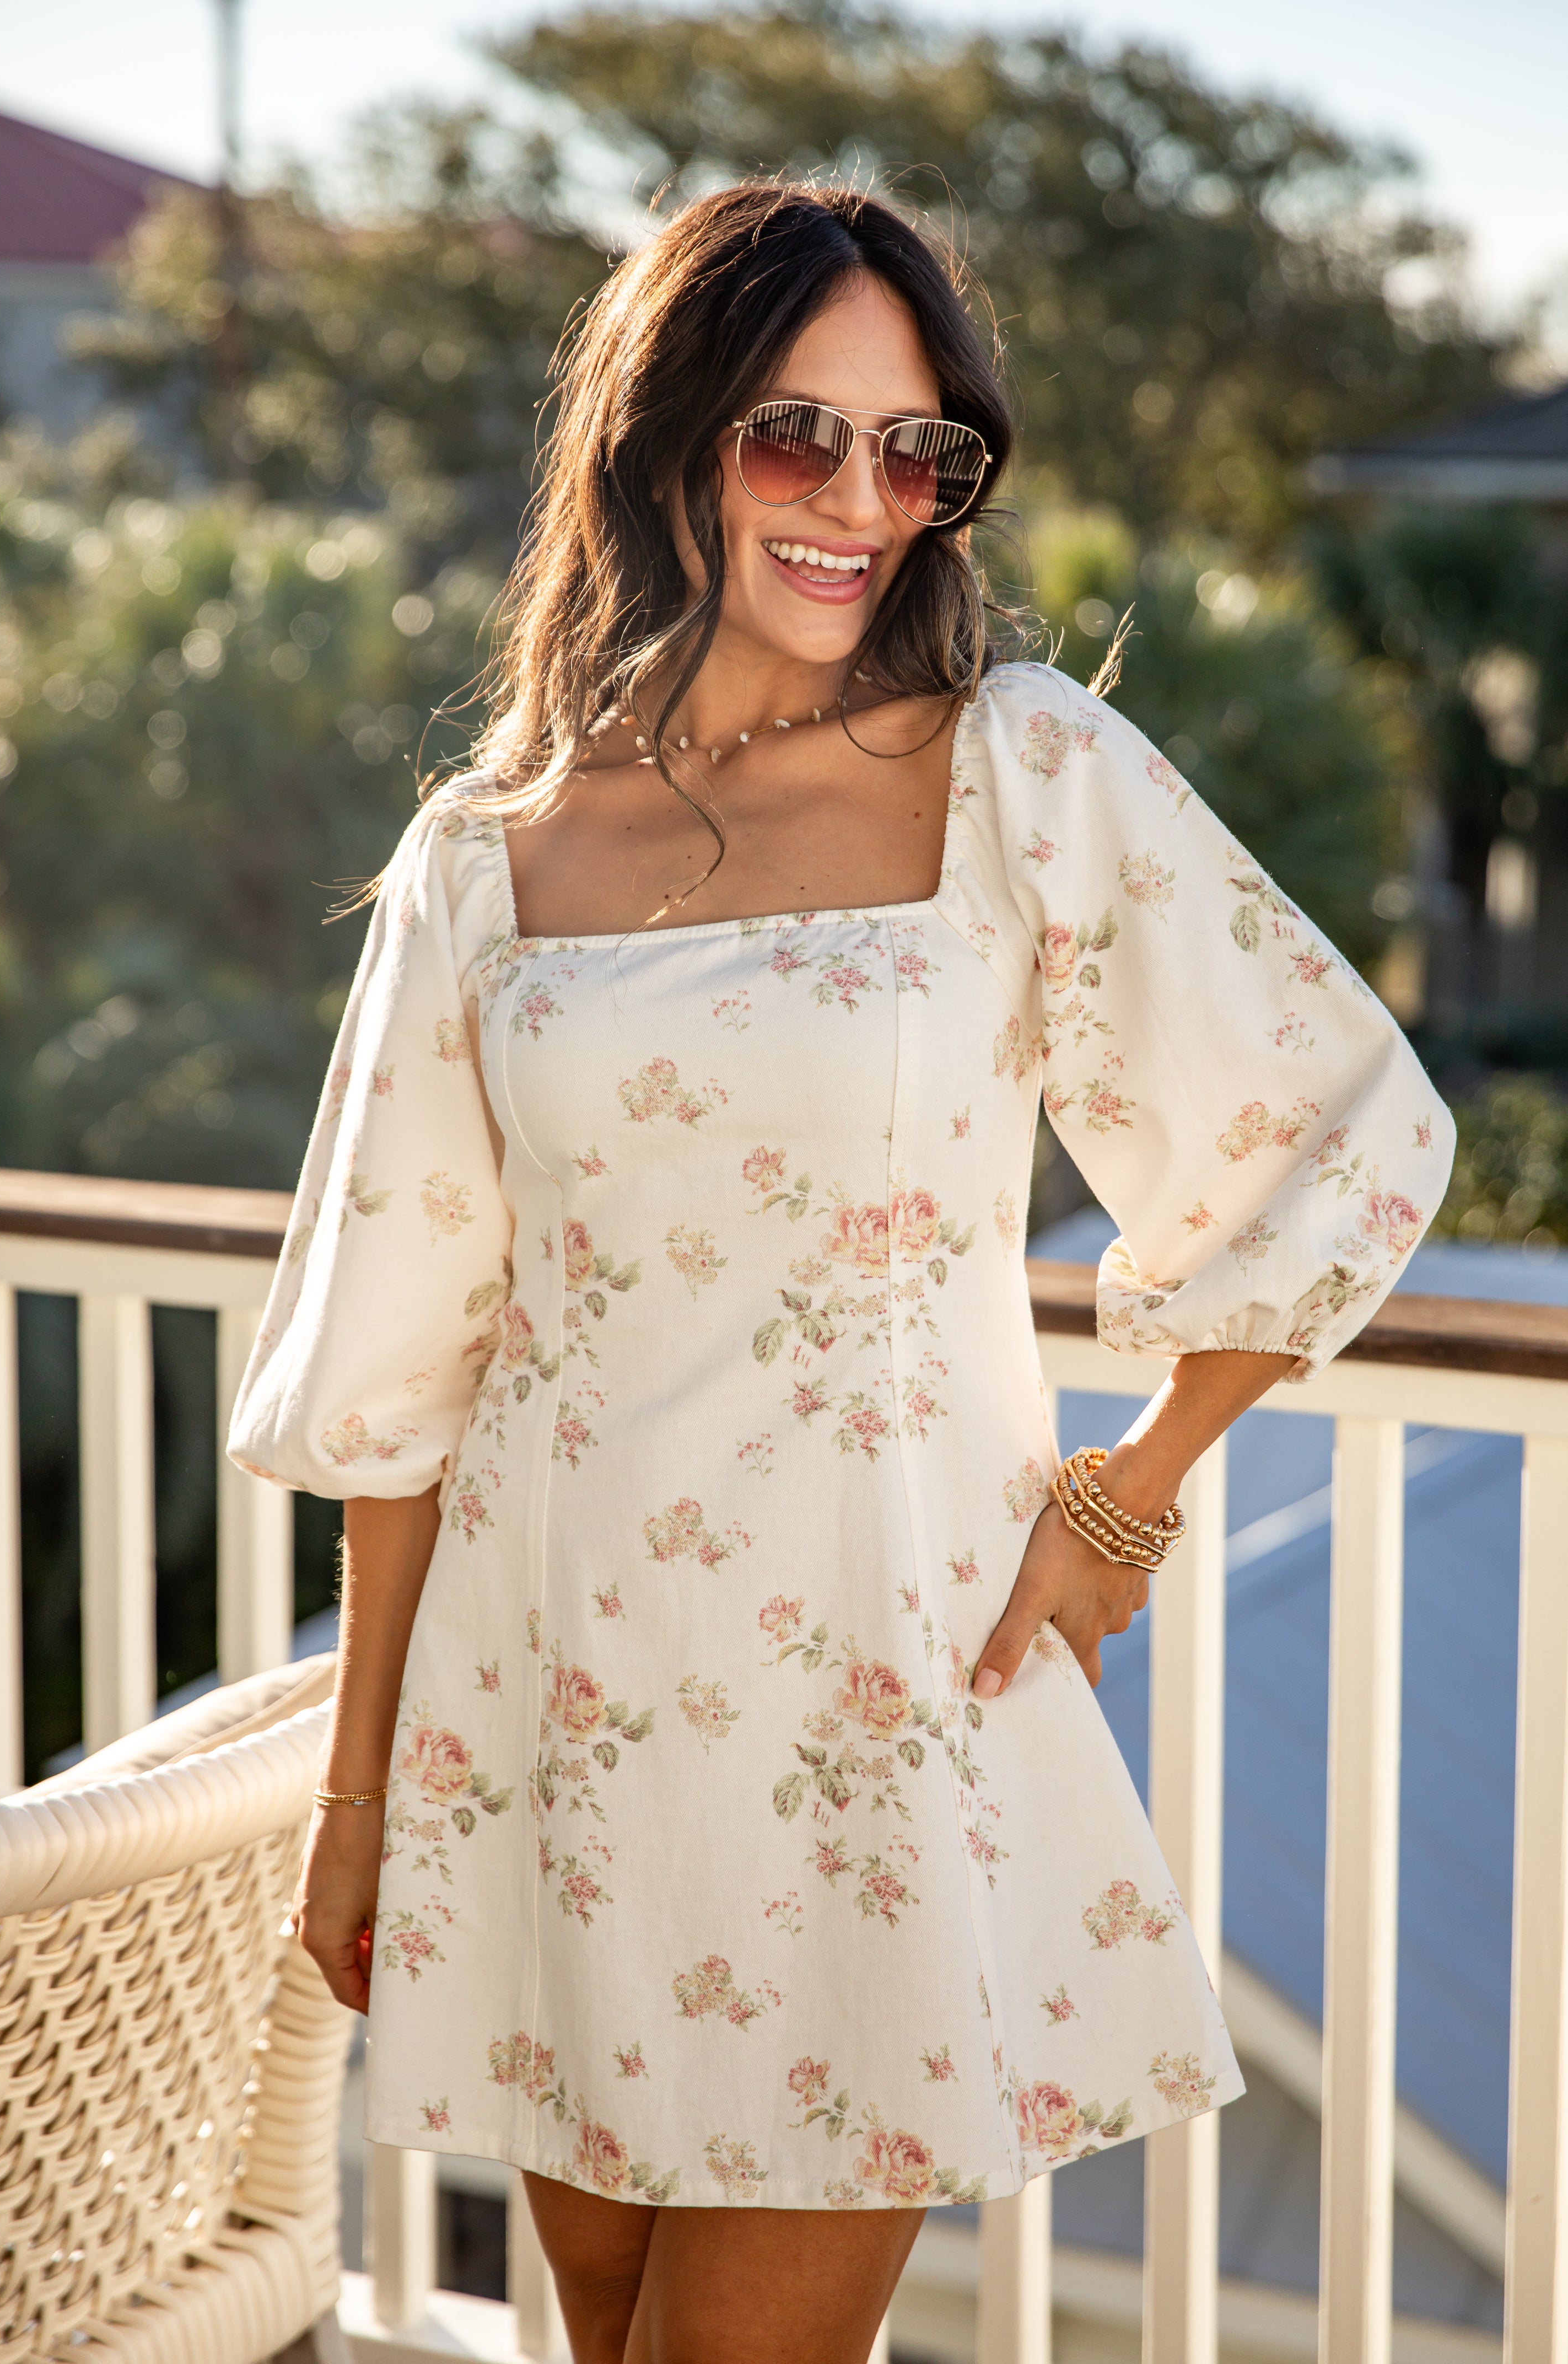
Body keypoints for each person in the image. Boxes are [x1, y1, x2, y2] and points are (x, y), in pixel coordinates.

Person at [230, 182, 1453, 2364]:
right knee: (593, 2337)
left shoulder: (1023, 774)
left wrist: (1131, 1484)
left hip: (877, 1720)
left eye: (922, 451)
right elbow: (408, 1363)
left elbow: (1326, 1117)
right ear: (667, 437)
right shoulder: (482, 857)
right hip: (552, 1712)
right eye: (798, 436)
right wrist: (358, 1797)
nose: (862, 501)